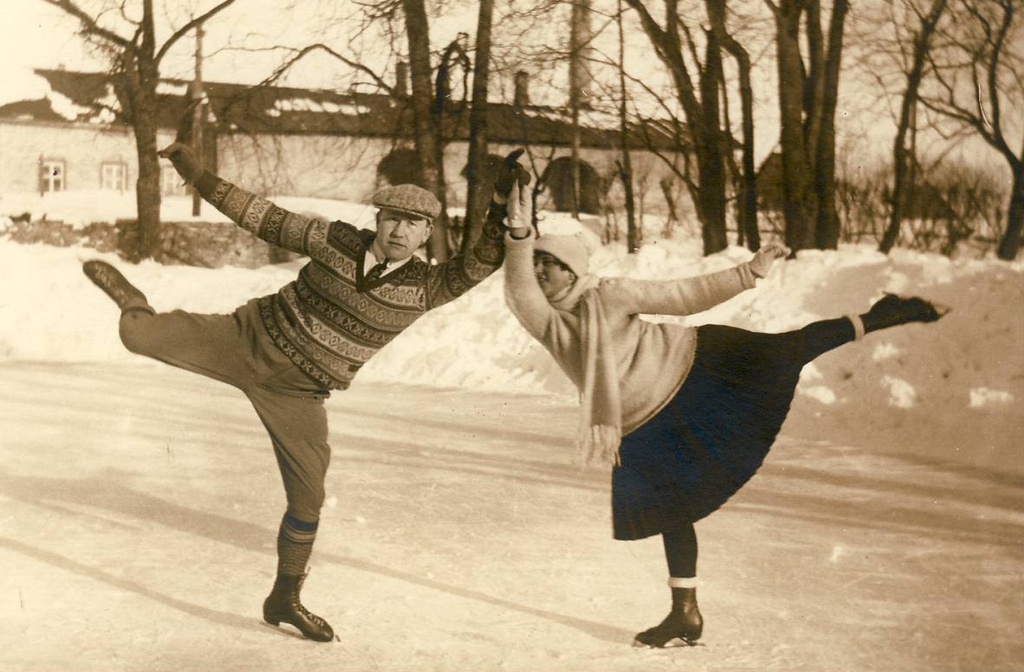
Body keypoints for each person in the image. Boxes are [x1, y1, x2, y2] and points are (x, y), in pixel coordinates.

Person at [82, 143, 530, 643]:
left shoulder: (429, 286)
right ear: (377, 219)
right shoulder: (335, 240)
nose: (400, 231)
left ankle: (285, 596)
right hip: (246, 339)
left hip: (301, 392)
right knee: (137, 336)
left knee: (308, 498)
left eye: (414, 224)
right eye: (392, 219)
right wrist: (199, 176)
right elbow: (263, 217)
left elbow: (486, 257)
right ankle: (136, 302)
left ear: (428, 233)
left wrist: (500, 206)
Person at [500, 181, 945, 648]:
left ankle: (881, 316)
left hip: (698, 368)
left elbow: (683, 294)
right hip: (643, 423)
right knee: (671, 512)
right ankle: (685, 615)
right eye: (537, 264)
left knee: (787, 351)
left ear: (573, 272)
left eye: (550, 264)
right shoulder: (548, 324)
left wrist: (748, 273)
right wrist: (518, 235)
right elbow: (518, 288)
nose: (540, 272)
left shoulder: (611, 295)